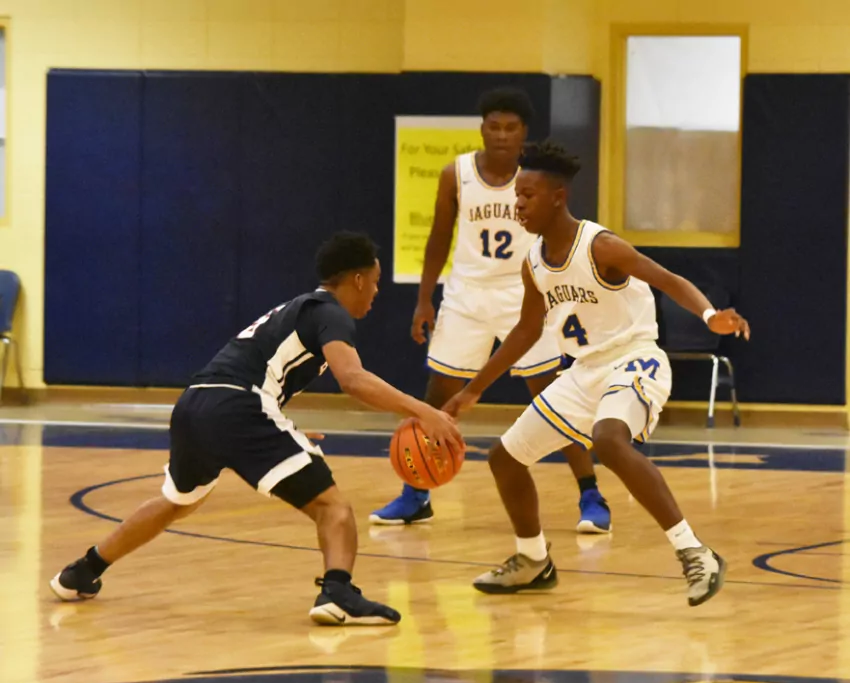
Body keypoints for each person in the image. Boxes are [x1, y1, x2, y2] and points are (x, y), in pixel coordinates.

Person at [49, 232, 464, 626]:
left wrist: (281, 428)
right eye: (374, 282)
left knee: (177, 501)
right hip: (240, 408)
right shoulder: (330, 312)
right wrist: (423, 411)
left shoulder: (295, 309)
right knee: (332, 507)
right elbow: (352, 379)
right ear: (357, 279)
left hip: (195, 404)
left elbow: (254, 373)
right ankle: (337, 594)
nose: (375, 292)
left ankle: (82, 571)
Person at [443, 141, 750, 606]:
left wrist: (710, 317)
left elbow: (668, 280)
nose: (517, 204)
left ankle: (695, 551)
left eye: (527, 195)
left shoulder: (600, 246)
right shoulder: (533, 263)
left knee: (608, 440)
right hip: (583, 371)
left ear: (558, 197)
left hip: (634, 358)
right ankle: (533, 560)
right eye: (516, 195)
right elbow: (526, 331)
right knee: (504, 458)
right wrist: (473, 390)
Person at [370, 87, 611, 534]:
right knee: (439, 395)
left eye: (510, 128)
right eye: (494, 126)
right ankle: (416, 493)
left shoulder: (537, 177)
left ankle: (591, 493)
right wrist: (424, 298)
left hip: (525, 292)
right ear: (481, 129)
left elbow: (561, 234)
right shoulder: (456, 173)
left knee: (553, 396)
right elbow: (439, 236)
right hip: (466, 294)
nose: (501, 135)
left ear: (524, 133)